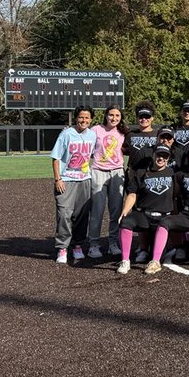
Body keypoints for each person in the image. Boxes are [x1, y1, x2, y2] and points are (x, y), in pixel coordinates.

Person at [116, 143, 177, 275]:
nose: (161, 159)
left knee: (158, 254)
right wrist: (125, 211)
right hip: (145, 215)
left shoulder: (173, 173)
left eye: (165, 156)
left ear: (169, 158)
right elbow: (132, 193)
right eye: (158, 155)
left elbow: (178, 196)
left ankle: (156, 261)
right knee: (126, 222)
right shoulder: (142, 173)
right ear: (153, 155)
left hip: (164, 218)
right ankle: (125, 260)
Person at [51, 106, 98, 265]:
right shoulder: (66, 134)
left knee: (81, 215)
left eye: (87, 118)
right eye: (81, 117)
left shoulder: (92, 135)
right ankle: (62, 247)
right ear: (76, 118)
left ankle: (77, 245)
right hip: (66, 179)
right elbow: (56, 158)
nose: (83, 120)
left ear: (91, 119)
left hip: (84, 179)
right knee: (64, 213)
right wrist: (58, 179)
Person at [88, 104, 126, 258]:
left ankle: (113, 243)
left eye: (117, 115)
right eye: (111, 115)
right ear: (106, 115)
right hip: (98, 171)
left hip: (117, 172)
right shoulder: (96, 130)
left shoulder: (123, 132)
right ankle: (94, 244)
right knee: (97, 210)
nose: (114, 118)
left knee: (116, 211)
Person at [123, 102, 160, 171]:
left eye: (147, 117)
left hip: (152, 173)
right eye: (141, 117)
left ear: (152, 118)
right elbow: (123, 150)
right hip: (134, 173)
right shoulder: (130, 134)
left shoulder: (158, 134)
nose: (144, 119)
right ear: (137, 118)